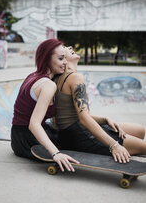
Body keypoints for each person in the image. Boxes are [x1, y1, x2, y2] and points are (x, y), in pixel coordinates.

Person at [54, 46, 146, 164]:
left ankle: (131, 147)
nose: (70, 47)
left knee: (139, 131)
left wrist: (105, 119)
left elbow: (77, 116)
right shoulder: (75, 78)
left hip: (71, 132)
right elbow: (84, 119)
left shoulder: (63, 77)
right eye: (64, 47)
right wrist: (113, 144)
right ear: (61, 57)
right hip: (81, 136)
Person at [11, 39, 79, 172]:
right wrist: (56, 153)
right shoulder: (48, 85)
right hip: (28, 140)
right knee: (77, 141)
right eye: (61, 59)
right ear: (47, 59)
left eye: (65, 58)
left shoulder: (34, 75)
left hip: (17, 137)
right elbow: (34, 124)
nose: (65, 62)